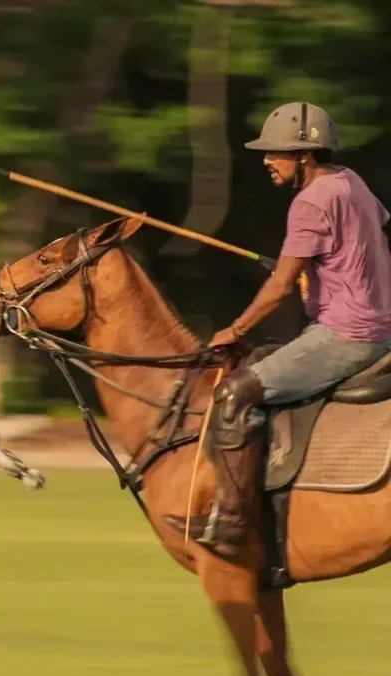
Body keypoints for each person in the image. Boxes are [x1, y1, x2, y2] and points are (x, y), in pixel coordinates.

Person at [167, 101, 391, 558]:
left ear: (305, 156)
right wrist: (326, 271)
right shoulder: (352, 182)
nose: (267, 160)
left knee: (234, 394)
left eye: (277, 152)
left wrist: (235, 327)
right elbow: (377, 238)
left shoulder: (310, 202)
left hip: (348, 335)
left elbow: (279, 288)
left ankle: (231, 521)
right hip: (377, 326)